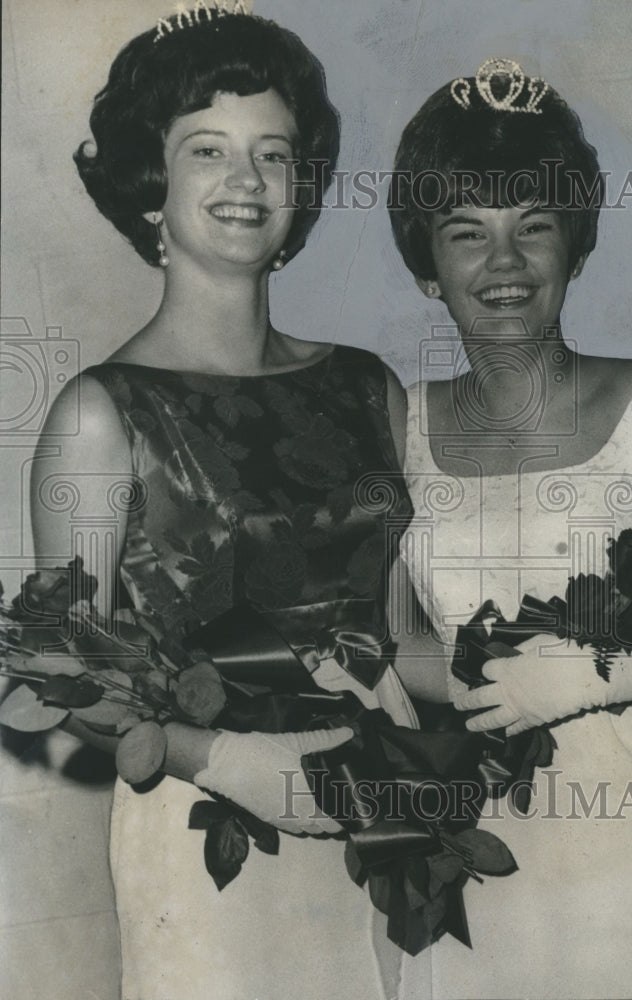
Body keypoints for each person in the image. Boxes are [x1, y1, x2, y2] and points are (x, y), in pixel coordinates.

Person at [29, 7, 414, 999]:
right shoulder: (100, 414)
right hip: (211, 838)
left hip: (386, 818)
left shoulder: (369, 388)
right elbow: (68, 678)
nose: (245, 182)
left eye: (272, 155)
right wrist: (237, 760)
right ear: (151, 185)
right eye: (209, 151)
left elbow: (406, 631)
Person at [385, 59, 632, 999]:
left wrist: (593, 671)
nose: (504, 265)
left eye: (535, 228)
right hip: (468, 841)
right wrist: (475, 678)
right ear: (429, 269)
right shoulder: (397, 428)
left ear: (576, 246)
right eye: (466, 234)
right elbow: (393, 639)